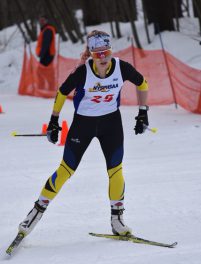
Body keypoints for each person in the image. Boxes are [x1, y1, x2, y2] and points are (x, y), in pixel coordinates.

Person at [18, 30, 149, 238]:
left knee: (116, 170)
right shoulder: (82, 72)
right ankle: (35, 212)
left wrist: (143, 113)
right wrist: (53, 121)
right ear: (90, 54)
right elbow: (62, 92)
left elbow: (142, 83)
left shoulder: (121, 68)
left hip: (111, 124)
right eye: (97, 54)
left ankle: (117, 219)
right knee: (65, 170)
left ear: (111, 51)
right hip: (83, 125)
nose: (103, 58)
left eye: (106, 52)